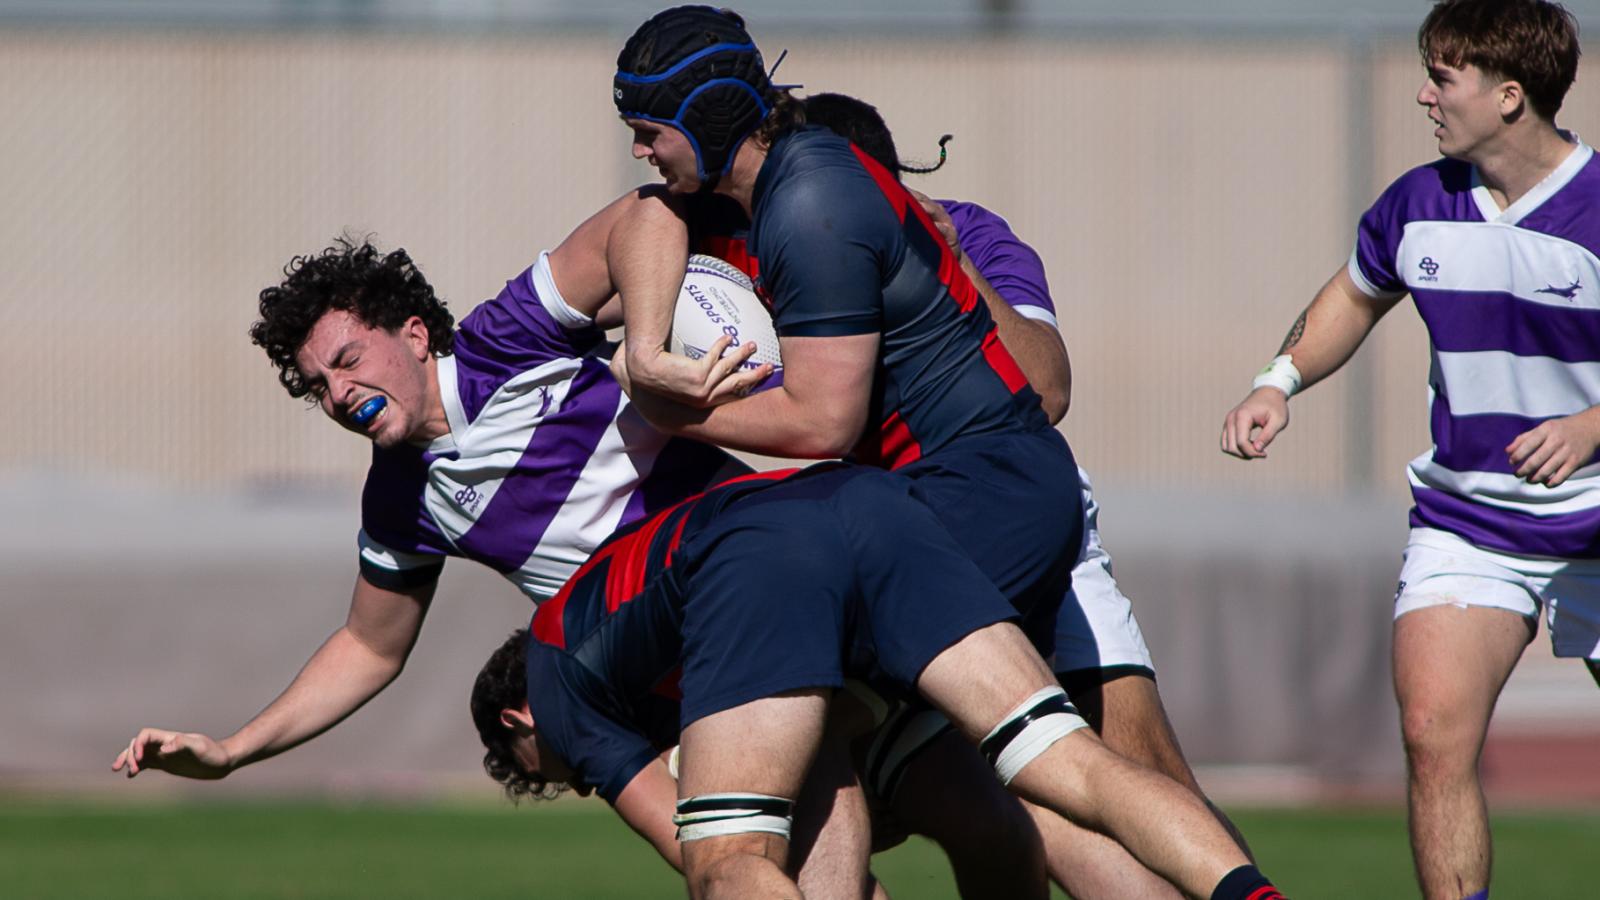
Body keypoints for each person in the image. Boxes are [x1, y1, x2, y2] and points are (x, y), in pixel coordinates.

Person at [110, 190, 765, 781]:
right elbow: (369, 646)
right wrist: (231, 751)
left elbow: (642, 216)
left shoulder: (508, 340)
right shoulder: (400, 500)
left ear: (416, 335)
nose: (339, 394)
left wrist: (645, 351)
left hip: (762, 577)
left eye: (348, 360)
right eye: (318, 387)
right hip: (696, 679)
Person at [803, 90, 1252, 898]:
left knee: (1141, 770)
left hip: (1016, 511)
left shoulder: (964, 230)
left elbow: (1044, 389)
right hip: (892, 547)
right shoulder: (771, 255)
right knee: (1008, 797)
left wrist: (950, 265)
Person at [471, 461, 1282, 900]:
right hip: (870, 503)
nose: (581, 786)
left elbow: (698, 851)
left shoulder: (557, 683)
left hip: (766, 560)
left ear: (519, 721)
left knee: (727, 860)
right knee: (1063, 765)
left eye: (555, 776)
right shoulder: (638, 645)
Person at [1218, 3, 1594, 898]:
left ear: (1509, 96)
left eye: (1444, 77)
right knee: (1431, 734)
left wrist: (1589, 429)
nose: (1424, 94)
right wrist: (1279, 379)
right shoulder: (1417, 204)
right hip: (1471, 520)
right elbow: (1353, 296)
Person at [609, 6, 1082, 680]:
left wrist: (669, 408)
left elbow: (824, 421)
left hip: (980, 495)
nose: (638, 152)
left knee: (761, 639)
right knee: (980, 765)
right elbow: (628, 224)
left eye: (648, 132)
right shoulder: (755, 207)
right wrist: (647, 350)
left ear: (706, 119)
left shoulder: (814, 205)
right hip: (938, 496)